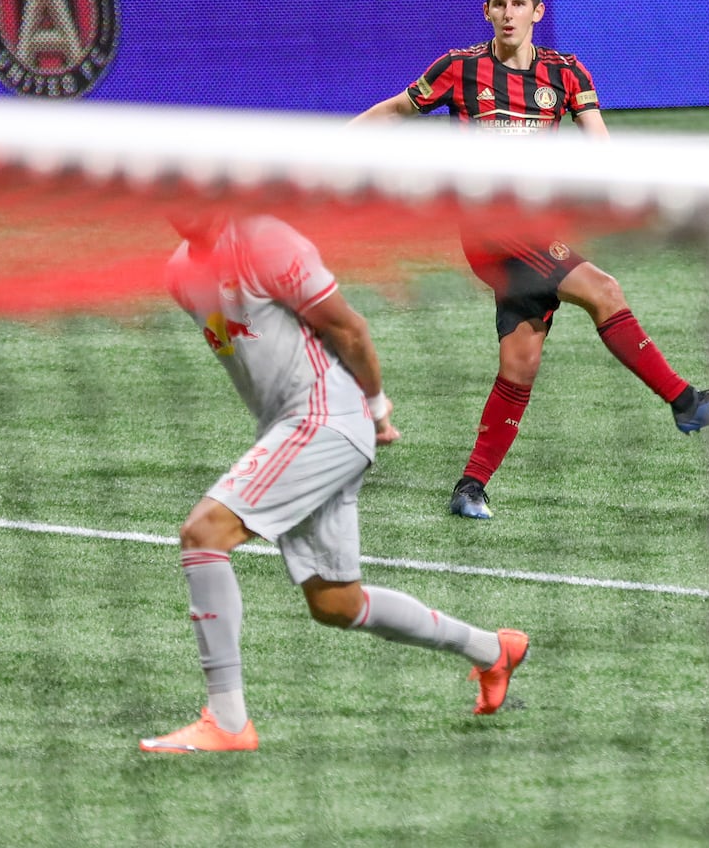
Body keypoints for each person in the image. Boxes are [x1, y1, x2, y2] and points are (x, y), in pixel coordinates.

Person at [140, 209, 528, 754]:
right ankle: (494, 650)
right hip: (296, 426)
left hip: (324, 421)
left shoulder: (266, 242)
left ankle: (227, 721)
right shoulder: (181, 271)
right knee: (336, 604)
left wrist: (374, 408)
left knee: (204, 534)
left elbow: (347, 326)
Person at [351, 0, 709, 520]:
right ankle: (685, 401)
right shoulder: (458, 68)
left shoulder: (567, 73)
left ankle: (470, 486)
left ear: (537, 12)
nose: (508, 14)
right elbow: (397, 110)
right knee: (603, 289)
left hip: (537, 230)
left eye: (519, 4)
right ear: (486, 11)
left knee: (519, 366)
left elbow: (598, 142)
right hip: (488, 229)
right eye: (499, 4)